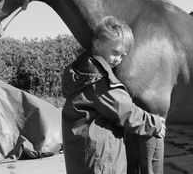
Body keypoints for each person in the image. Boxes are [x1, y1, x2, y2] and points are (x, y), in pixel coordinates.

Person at [61, 16, 166, 174]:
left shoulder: (80, 73)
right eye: (115, 52)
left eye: (123, 55)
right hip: (102, 162)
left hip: (82, 158)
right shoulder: (99, 81)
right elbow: (126, 112)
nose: (118, 59)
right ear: (97, 45)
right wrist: (155, 123)